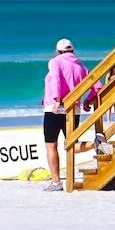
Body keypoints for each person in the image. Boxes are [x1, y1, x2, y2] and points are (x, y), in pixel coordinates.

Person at [42, 39, 96, 191]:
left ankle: (56, 182)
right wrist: (88, 100)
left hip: (55, 107)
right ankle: (95, 144)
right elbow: (97, 85)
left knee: (51, 145)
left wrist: (58, 99)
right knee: (71, 144)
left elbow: (56, 79)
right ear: (73, 51)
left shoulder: (55, 61)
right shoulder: (81, 66)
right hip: (74, 109)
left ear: (58, 51)